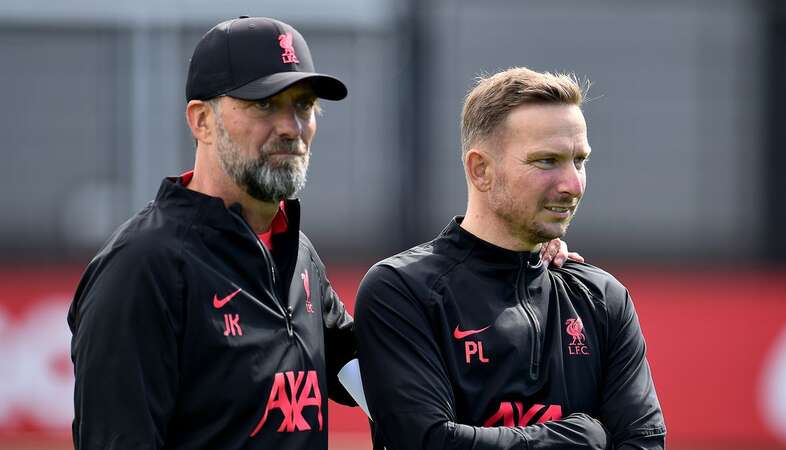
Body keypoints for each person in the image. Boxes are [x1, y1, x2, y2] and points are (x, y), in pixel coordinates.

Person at [67, 17, 578, 450]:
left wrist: (515, 265)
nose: (292, 126)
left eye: (304, 105)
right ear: (201, 121)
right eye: (264, 105)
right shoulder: (142, 267)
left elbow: (379, 372)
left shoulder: (295, 253)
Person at [354, 68, 666, 449]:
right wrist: (578, 439)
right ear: (480, 169)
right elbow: (427, 442)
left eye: (579, 160)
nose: (572, 185)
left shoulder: (603, 298)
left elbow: (644, 442)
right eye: (547, 161)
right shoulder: (402, 289)